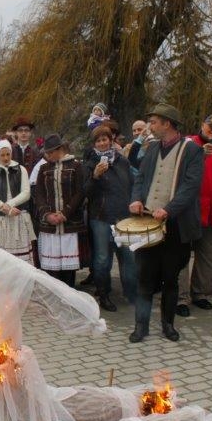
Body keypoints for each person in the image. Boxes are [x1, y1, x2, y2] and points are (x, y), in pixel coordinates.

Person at [128, 103, 204, 343]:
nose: (150, 126)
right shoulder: (152, 148)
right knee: (144, 277)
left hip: (176, 227)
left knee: (170, 278)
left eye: (153, 122)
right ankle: (141, 326)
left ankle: (168, 325)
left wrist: (169, 210)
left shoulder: (192, 150)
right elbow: (140, 179)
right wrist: (136, 199)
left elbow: (190, 186)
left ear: (167, 123)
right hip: (148, 222)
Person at [176, 114, 212, 316]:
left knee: (208, 257)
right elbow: (177, 171)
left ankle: (200, 294)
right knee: (181, 256)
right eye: (211, 126)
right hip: (188, 211)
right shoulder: (189, 145)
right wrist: (200, 155)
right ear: (202, 125)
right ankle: (180, 297)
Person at [83, 124, 136, 311]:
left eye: (104, 139)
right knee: (103, 258)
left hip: (123, 216)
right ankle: (103, 293)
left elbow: (132, 184)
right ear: (94, 144)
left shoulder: (122, 161)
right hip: (101, 217)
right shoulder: (90, 164)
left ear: (110, 140)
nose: (102, 143)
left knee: (128, 256)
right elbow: (85, 192)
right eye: (98, 141)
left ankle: (131, 291)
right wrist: (95, 176)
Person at [35, 134, 86, 287]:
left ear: (59, 150)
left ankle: (69, 293)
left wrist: (65, 213)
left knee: (68, 269)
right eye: (46, 153)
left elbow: (80, 193)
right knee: (51, 269)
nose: (48, 156)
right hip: (49, 225)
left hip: (69, 224)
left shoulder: (76, 166)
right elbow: (39, 194)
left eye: (50, 152)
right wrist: (47, 214)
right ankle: (54, 294)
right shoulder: (44, 168)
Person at [0, 138, 36, 263]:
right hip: (0, 220)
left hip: (18, 217)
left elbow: (26, 193)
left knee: (21, 260)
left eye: (8, 154)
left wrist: (10, 204)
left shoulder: (21, 169)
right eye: (2, 155)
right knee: (2, 259)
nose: (6, 158)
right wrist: (5, 209)